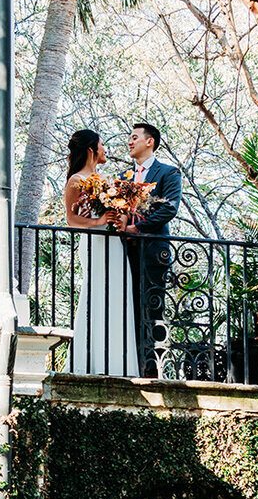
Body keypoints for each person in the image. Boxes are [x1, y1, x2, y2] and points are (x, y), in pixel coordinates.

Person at [64, 128, 141, 376]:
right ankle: (88, 363)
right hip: (95, 244)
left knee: (119, 295)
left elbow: (116, 213)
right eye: (102, 144)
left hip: (114, 244)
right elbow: (71, 219)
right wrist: (97, 222)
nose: (105, 149)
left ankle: (119, 365)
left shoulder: (106, 182)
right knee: (97, 295)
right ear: (91, 149)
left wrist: (124, 214)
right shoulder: (76, 181)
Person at [119, 122, 182, 376]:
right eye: (130, 138)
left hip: (154, 250)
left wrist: (138, 227)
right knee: (127, 306)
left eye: (134, 137)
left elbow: (169, 208)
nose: (130, 142)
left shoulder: (168, 172)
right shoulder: (124, 177)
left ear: (150, 142)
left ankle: (152, 368)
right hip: (124, 251)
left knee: (153, 307)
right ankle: (128, 363)